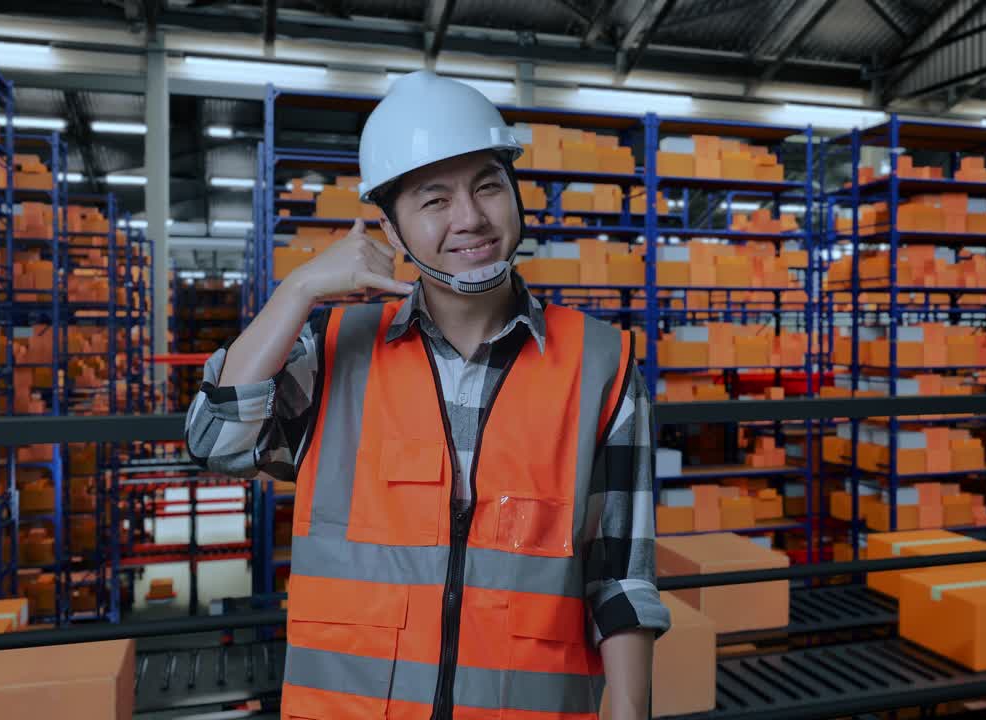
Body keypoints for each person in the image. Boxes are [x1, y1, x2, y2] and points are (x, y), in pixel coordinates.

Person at [186, 70, 669, 720]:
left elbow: (622, 576)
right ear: (390, 228)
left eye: (488, 186)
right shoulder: (333, 352)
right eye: (434, 200)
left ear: (515, 192)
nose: (470, 219)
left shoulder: (601, 364)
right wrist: (296, 291)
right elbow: (214, 440)